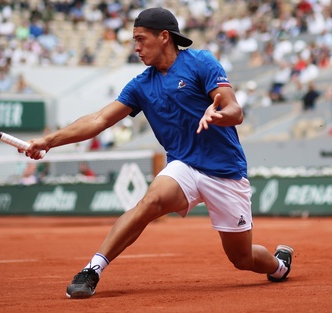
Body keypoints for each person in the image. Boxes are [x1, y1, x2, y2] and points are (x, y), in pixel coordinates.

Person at [20, 7, 294, 299]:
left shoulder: (201, 62)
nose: (136, 47)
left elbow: (235, 110)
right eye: (134, 40)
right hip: (184, 166)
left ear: (164, 37)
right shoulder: (141, 85)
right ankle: (92, 269)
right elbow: (99, 120)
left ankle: (279, 265)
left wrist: (217, 116)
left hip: (226, 172)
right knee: (149, 202)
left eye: (141, 39)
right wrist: (50, 140)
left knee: (241, 259)